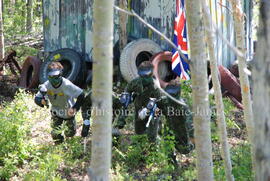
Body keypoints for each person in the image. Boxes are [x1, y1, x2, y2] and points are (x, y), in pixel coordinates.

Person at [34, 62, 84, 144]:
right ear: (48, 75)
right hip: (56, 111)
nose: (53, 79)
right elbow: (37, 98)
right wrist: (42, 101)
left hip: (68, 112)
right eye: (51, 76)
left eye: (56, 76)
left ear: (60, 74)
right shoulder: (46, 85)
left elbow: (81, 95)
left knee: (70, 133)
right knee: (55, 133)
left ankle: (69, 144)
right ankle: (59, 147)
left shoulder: (67, 85)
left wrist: (74, 108)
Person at [125, 61, 161, 141]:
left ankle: (154, 143)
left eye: (146, 75)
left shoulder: (155, 85)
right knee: (139, 131)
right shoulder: (136, 82)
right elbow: (127, 90)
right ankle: (141, 144)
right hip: (140, 106)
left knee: (153, 127)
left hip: (155, 108)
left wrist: (147, 109)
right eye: (142, 74)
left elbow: (158, 100)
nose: (143, 78)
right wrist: (127, 97)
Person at [160, 80, 194, 154]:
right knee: (167, 149)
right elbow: (157, 104)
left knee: (185, 150)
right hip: (169, 132)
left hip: (181, 135)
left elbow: (191, 126)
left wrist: (192, 141)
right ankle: (171, 162)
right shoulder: (165, 101)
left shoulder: (183, 107)